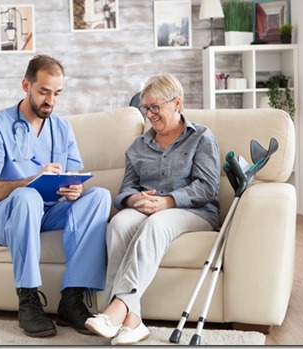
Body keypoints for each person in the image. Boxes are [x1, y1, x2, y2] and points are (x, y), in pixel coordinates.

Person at [0, 55, 111, 338]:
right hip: (6, 216)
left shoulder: (62, 128)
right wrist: (30, 181)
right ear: (26, 85)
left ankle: (71, 300)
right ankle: (28, 300)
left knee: (99, 197)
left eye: (57, 93)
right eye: (44, 92)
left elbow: (73, 175)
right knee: (27, 197)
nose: (51, 100)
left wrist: (75, 189)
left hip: (47, 212)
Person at [85, 73, 221, 345]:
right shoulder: (138, 146)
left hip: (195, 212)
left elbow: (207, 187)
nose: (150, 114)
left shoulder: (201, 137)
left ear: (177, 103)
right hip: (147, 207)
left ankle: (116, 308)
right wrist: (136, 201)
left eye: (155, 107)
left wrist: (167, 201)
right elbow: (125, 190)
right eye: (145, 108)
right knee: (119, 224)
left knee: (155, 224)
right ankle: (133, 322)